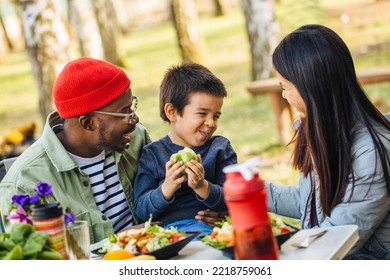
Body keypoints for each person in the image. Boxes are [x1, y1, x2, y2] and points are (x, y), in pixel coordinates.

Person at [266, 24, 390, 259]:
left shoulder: (372, 151)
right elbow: (310, 203)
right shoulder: (321, 130)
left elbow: (336, 241)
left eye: (285, 87)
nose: (283, 95)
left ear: (310, 88)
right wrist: (230, 191)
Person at [0, 57, 151, 244]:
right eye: (125, 112)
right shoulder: (24, 184)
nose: (134, 119)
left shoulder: (136, 138)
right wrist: (120, 241)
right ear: (88, 123)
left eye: (132, 106)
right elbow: (36, 264)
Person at [134, 63, 237, 235]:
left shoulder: (220, 149)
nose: (211, 123)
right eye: (202, 114)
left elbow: (232, 197)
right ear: (172, 112)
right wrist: (167, 188)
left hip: (213, 231)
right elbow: (142, 210)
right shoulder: (152, 154)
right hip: (169, 235)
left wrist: (202, 186)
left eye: (216, 116)